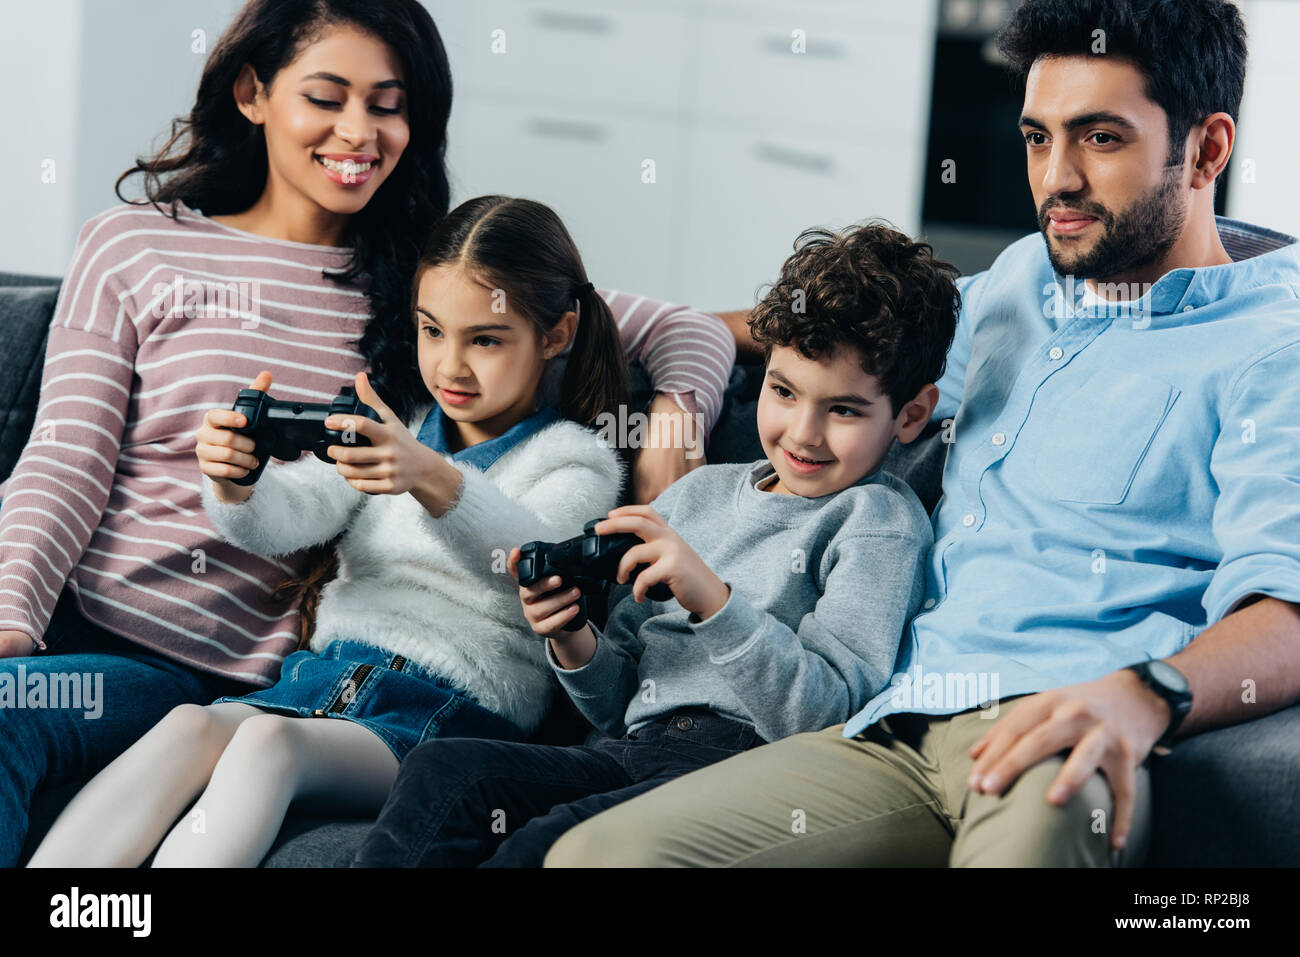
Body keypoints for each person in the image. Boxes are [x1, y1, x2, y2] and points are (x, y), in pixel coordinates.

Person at [544, 0, 1300, 867]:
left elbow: (1285, 611)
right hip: (889, 725)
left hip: (1053, 734)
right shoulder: (1023, 280)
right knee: (597, 859)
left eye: (1099, 139)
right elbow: (813, 330)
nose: (1055, 180)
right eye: (1036, 137)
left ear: (1206, 149)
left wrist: (1147, 694)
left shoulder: (1275, 350)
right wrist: (680, 387)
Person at [0, 0, 734, 867]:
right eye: (328, 96)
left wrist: (673, 421)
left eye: (388, 104)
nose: (360, 131)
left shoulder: (427, 278)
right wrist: (12, 621)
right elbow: (63, 461)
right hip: (105, 638)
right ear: (251, 91)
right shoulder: (133, 247)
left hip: (270, 679)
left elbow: (670, 325)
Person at [27, 195, 634, 867]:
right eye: (433, 331)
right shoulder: (397, 423)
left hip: (444, 716)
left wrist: (428, 475)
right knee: (188, 725)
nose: (451, 366)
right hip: (322, 679)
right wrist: (238, 482)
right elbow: (291, 514)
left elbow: (525, 556)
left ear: (557, 333)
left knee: (267, 747)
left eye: (485, 340)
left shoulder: (575, 459)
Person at [349, 221, 956, 866]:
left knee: (541, 847)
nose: (802, 433)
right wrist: (573, 637)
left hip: (746, 774)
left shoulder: (877, 519)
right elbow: (616, 704)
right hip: (629, 752)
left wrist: (714, 602)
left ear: (912, 415)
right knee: (444, 770)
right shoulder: (697, 498)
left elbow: (827, 714)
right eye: (782, 392)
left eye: (844, 411)